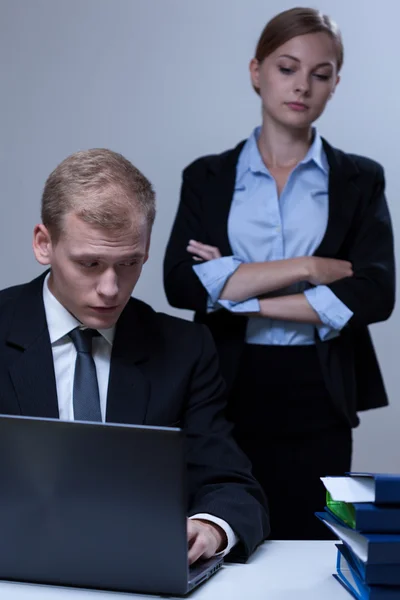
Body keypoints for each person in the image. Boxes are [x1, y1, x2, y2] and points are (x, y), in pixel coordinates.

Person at [163, 7, 395, 540]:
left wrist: (238, 289)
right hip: (226, 383)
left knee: (315, 541)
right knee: (226, 532)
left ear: (336, 83)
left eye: (321, 73)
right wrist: (309, 268)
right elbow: (181, 283)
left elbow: (376, 293)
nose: (303, 86)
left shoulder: (360, 179)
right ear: (256, 71)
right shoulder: (208, 176)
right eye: (287, 68)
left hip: (322, 386)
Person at [0, 148, 269, 564]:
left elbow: (232, 485)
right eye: (89, 263)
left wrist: (211, 527)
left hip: (137, 574)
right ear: (44, 244)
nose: (110, 289)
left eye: (128, 263)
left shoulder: (185, 347)